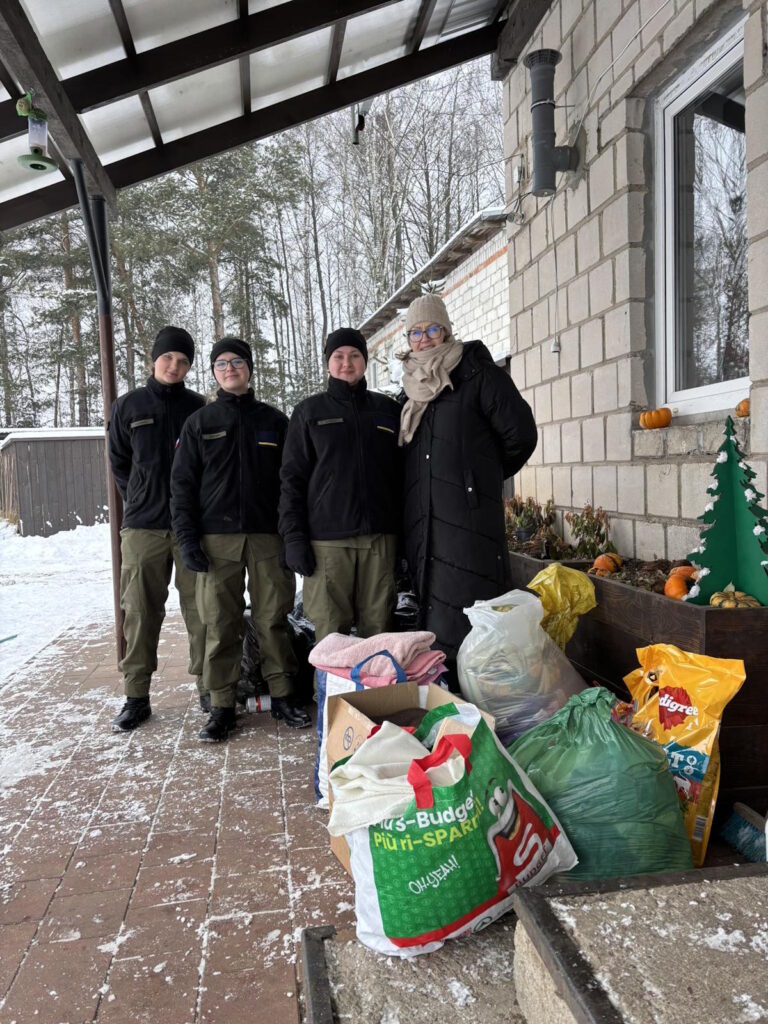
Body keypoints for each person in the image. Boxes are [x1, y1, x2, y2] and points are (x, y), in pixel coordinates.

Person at [171, 337, 311, 742]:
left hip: (268, 537)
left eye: (237, 362)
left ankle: (283, 694)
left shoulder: (274, 421)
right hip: (216, 541)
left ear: (249, 369)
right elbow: (181, 487)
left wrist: (291, 535)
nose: (229, 368)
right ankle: (221, 705)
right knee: (219, 622)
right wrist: (188, 540)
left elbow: (292, 483)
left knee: (273, 619)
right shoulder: (199, 423)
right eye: (221, 364)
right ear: (213, 373)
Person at [398, 295, 537, 689]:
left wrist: (480, 481)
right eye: (415, 333)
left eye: (431, 329)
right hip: (425, 523)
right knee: (435, 618)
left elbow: (521, 434)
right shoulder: (409, 391)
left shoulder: (477, 374)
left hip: (468, 520)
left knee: (472, 613)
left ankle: (482, 701)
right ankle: (448, 702)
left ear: (446, 330)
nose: (424, 339)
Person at [107, 325, 207, 732]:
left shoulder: (199, 408)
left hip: (192, 530)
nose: (174, 366)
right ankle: (136, 696)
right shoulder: (128, 406)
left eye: (182, 361)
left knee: (202, 611)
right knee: (140, 612)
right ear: (154, 359)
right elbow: (119, 463)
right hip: (143, 529)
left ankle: (210, 688)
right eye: (168, 358)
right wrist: (142, 497)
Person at [279, 327, 402, 650]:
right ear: (328, 363)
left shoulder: (388, 411)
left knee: (379, 631)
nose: (346, 363)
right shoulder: (309, 412)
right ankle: (331, 701)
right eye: (338, 356)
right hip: (327, 545)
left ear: (364, 360)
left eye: (355, 355)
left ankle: (376, 700)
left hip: (380, 541)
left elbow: (402, 476)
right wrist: (294, 538)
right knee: (331, 636)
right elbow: (291, 480)